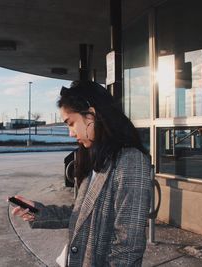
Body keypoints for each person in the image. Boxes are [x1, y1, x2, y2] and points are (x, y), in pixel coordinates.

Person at [10, 81, 152, 266]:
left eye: (71, 123)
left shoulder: (130, 161)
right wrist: (38, 211)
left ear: (91, 115)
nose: (70, 133)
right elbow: (81, 214)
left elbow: (128, 246)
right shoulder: (97, 158)